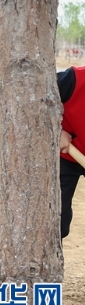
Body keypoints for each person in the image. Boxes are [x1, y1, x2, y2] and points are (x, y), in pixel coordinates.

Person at [57, 65, 85, 239]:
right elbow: (30, 96)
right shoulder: (73, 79)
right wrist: (55, 129)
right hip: (67, 155)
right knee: (57, 219)